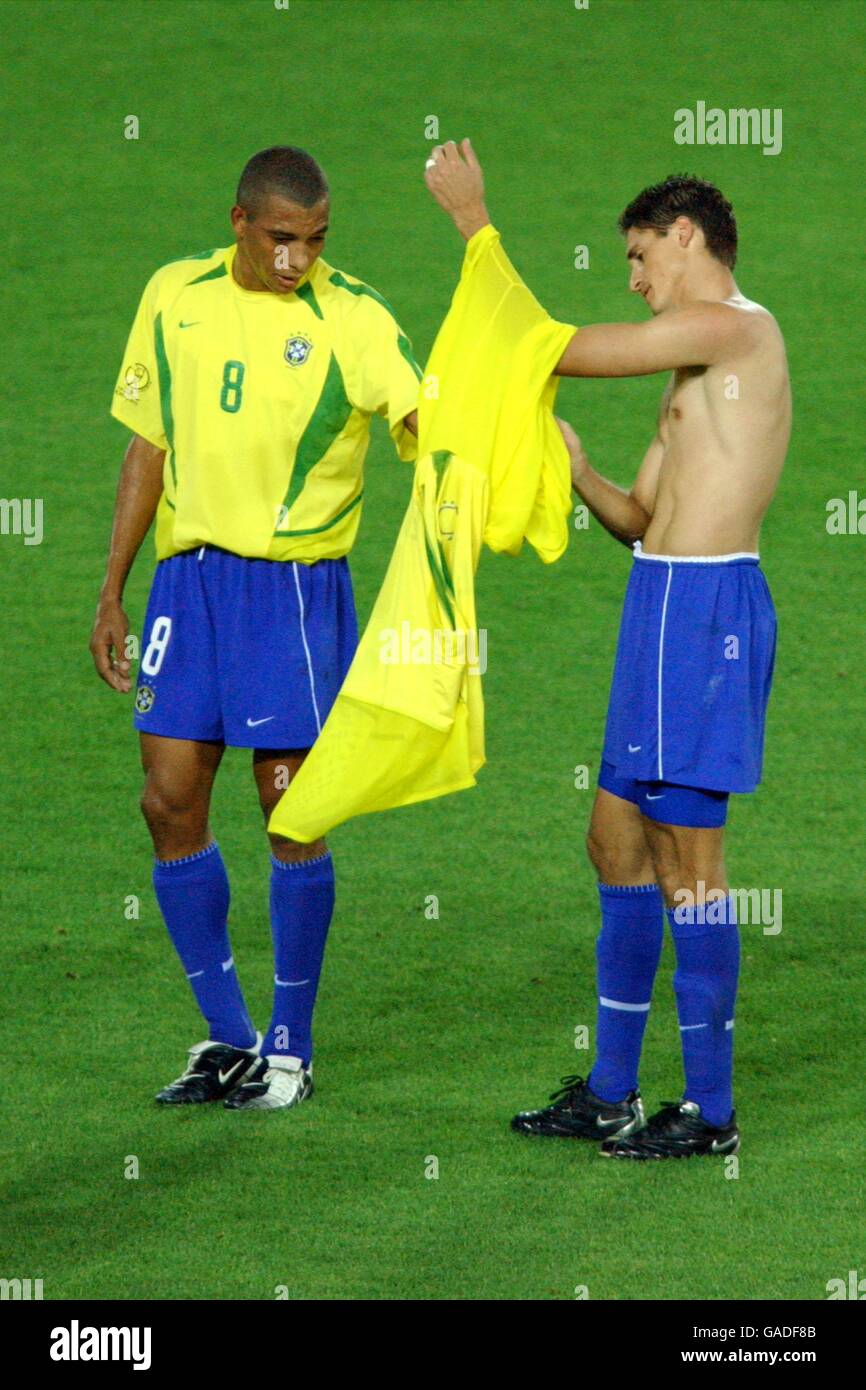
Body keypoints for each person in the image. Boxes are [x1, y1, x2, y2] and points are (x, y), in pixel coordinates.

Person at [424, 140, 789, 1159]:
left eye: (638, 257)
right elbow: (639, 519)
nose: (633, 280)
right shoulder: (691, 366)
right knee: (613, 843)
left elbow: (553, 343)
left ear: (684, 236)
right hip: (658, 607)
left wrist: (472, 223)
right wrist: (578, 469)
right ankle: (613, 1090)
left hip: (704, 618)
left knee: (690, 867)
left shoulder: (733, 331)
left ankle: (708, 1113)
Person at [92, 146, 420, 1112]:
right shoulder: (172, 294)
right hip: (186, 585)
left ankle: (290, 1046)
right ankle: (229, 1036)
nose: (297, 259)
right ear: (239, 220)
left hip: (292, 594)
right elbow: (147, 444)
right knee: (167, 802)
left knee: (290, 808)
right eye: (282, 239)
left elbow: (419, 417)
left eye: (315, 240)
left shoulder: (352, 316)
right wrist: (114, 589)